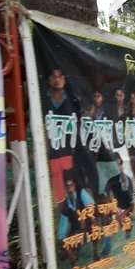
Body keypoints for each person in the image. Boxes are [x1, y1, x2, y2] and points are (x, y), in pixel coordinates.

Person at [42, 68, 78, 203]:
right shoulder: (42, 99)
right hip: (51, 152)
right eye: (54, 76)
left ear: (65, 79)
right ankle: (63, 212)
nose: (57, 79)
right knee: (57, 187)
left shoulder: (72, 100)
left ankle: (73, 209)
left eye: (60, 76)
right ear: (49, 79)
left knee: (70, 181)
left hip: (68, 150)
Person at [58, 169, 99, 265]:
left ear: (74, 185)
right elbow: (62, 232)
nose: (70, 189)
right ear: (65, 188)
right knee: (62, 254)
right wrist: (69, 252)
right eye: (68, 186)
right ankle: (74, 254)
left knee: (95, 229)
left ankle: (95, 252)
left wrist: (89, 218)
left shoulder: (81, 192)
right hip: (76, 232)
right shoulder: (65, 206)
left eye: (71, 185)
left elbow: (91, 205)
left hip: (88, 226)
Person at [104, 154, 134, 239]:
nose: (117, 167)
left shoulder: (127, 181)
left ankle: (127, 228)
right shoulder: (111, 180)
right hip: (114, 207)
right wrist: (114, 210)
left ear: (122, 165)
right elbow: (105, 195)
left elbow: (132, 205)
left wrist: (122, 215)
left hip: (125, 209)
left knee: (125, 222)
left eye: (119, 164)